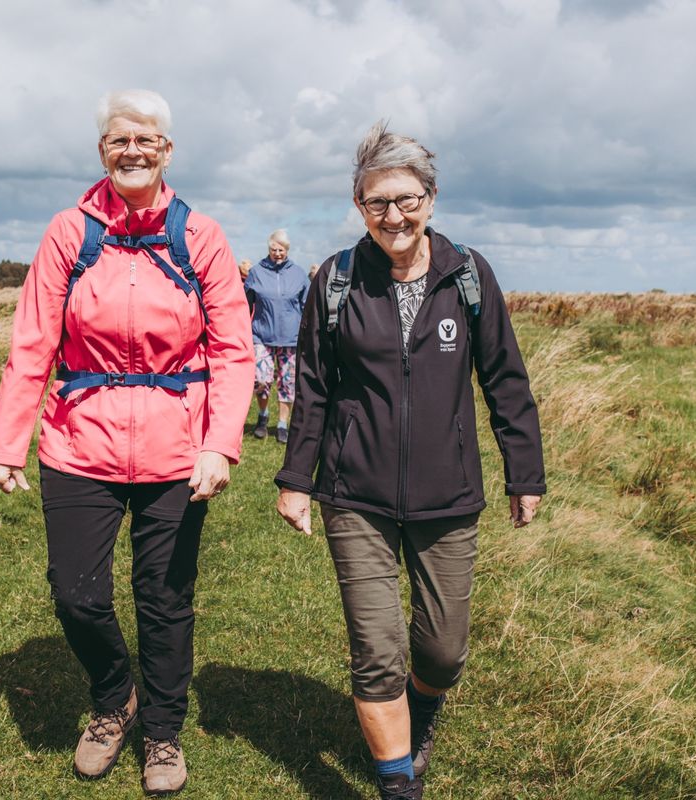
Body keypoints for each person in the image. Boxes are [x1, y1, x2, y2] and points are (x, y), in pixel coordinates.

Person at [0, 89, 253, 796]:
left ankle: (162, 732)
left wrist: (221, 444)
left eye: (146, 139)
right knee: (75, 595)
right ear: (101, 150)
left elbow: (232, 350)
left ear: (167, 149)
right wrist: (6, 443)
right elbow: (34, 340)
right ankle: (114, 699)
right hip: (79, 442)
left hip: (175, 447)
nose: (132, 150)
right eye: (118, 140)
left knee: (165, 600)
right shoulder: (69, 233)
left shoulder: (202, 237)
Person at [274, 122, 545, 800]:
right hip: (354, 491)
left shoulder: (468, 277)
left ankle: (421, 711)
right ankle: (398, 784)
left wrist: (525, 471)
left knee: (443, 652)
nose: (392, 216)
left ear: (430, 198)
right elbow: (312, 388)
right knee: (377, 650)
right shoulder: (335, 281)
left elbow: (504, 379)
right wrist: (295, 482)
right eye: (375, 203)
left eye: (405, 199)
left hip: (447, 495)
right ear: (359, 207)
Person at [243, 229, 309, 444]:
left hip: (290, 338)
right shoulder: (256, 272)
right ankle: (262, 417)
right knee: (261, 380)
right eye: (274, 249)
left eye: (281, 250)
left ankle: (282, 424)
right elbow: (245, 303)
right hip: (261, 336)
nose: (277, 253)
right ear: (268, 249)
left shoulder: (298, 274)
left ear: (287, 250)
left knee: (287, 383)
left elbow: (307, 305)